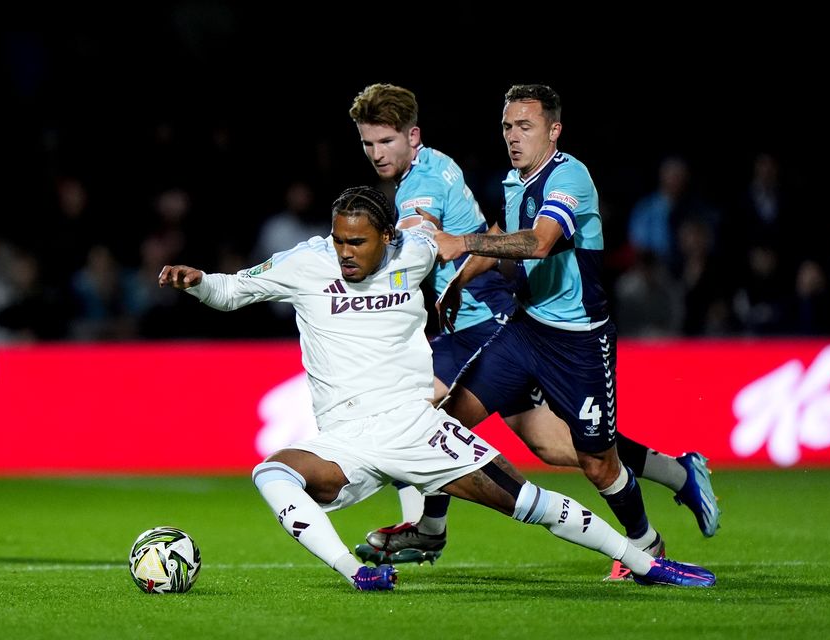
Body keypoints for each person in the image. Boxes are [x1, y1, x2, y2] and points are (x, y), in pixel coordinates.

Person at [158, 185, 716, 590]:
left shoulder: (417, 249)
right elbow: (233, 290)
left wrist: (486, 283)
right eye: (339, 240)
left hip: (418, 428)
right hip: (346, 438)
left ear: (386, 237)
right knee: (271, 472)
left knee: (532, 503)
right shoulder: (307, 261)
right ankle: (358, 573)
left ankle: (647, 563)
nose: (345, 252)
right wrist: (198, 281)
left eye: (357, 242)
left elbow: (487, 242)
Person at [348, 83, 719, 578]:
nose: (514, 137)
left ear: (553, 130)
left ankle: (646, 541)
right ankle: (430, 530)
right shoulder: (511, 179)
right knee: (462, 427)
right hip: (522, 329)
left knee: (596, 462)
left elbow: (540, 243)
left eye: (525, 126)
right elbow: (501, 236)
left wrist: (454, 247)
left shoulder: (570, 177)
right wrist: (464, 274)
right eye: (507, 127)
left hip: (576, 340)